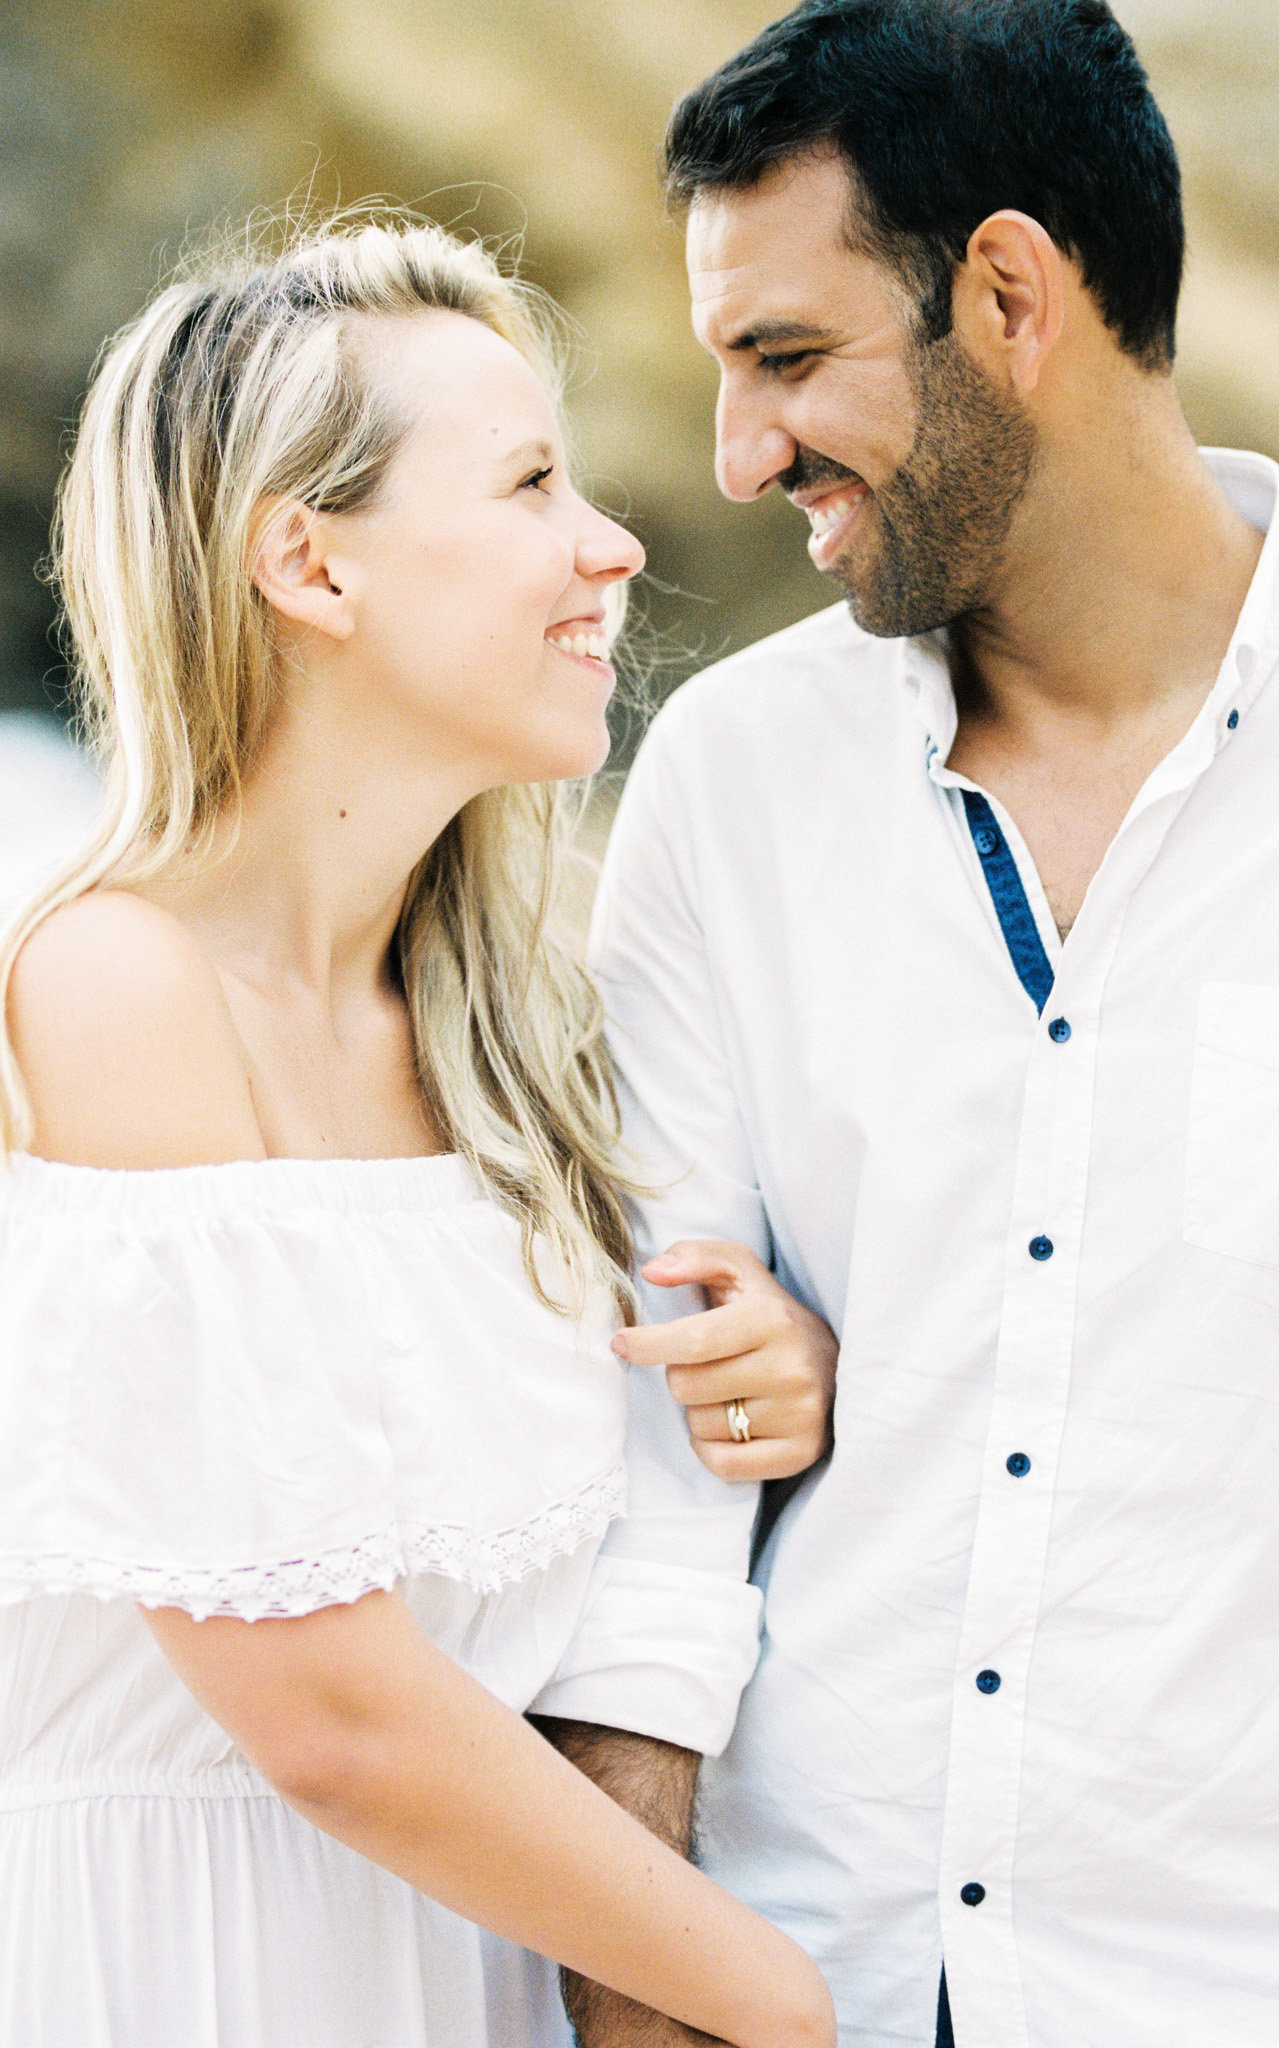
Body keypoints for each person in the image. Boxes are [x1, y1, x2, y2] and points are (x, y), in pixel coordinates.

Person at [536, 4, 1279, 2046]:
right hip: (801, 1974)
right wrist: (637, 1987)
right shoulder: (732, 780)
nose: (739, 457)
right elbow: (656, 1445)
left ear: (1009, 290)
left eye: (789, 357)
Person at [0, 217, 838, 2048]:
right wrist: (768, 2001)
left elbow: (552, 1538)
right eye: (533, 480)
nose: (611, 545)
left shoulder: (508, 1040)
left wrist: (746, 1374)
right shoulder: (112, 988)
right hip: (168, 1984)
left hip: (440, 1979)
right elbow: (330, 1709)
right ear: (307, 562)